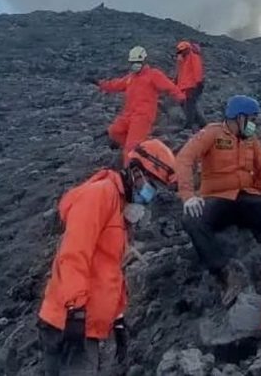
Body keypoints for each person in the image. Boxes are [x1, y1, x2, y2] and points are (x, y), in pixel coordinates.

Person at [37, 140, 178, 375]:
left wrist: (117, 317)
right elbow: (73, 254)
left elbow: (110, 269)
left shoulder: (119, 207)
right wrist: (74, 310)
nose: (151, 194)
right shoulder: (99, 195)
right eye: (151, 185)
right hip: (69, 321)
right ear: (135, 171)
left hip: (85, 322)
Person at [176, 95, 261, 305]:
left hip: (246, 197)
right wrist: (188, 197)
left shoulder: (251, 139)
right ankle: (225, 272)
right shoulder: (212, 133)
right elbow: (185, 158)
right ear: (238, 117)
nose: (253, 124)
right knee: (191, 219)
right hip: (217, 198)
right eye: (251, 118)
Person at [90, 45, 185, 152]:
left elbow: (169, 86)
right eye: (133, 62)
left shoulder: (153, 74)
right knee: (114, 131)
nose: (135, 65)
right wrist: (100, 83)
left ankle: (131, 162)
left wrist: (181, 97)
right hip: (128, 114)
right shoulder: (131, 77)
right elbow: (116, 85)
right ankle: (140, 151)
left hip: (143, 116)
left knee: (131, 146)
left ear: (144, 60)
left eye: (138, 62)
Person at [175, 40, 207, 130]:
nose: (181, 53)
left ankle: (190, 124)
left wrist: (198, 82)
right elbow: (180, 74)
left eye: (183, 51)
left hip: (191, 86)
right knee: (189, 104)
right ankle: (201, 123)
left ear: (188, 49)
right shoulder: (183, 60)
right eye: (180, 52)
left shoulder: (193, 57)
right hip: (185, 86)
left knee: (190, 104)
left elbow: (197, 70)